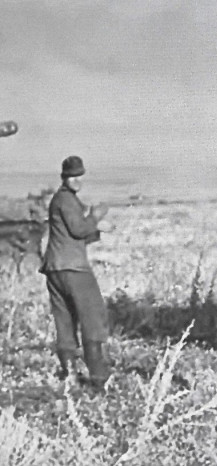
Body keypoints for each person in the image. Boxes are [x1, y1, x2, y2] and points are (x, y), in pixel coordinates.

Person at [41, 155, 111, 388]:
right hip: (74, 269)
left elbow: (71, 235)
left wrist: (97, 230)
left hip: (55, 267)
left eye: (80, 175)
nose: (78, 180)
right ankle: (99, 378)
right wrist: (96, 216)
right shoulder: (67, 201)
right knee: (93, 318)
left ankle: (70, 374)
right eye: (73, 176)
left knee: (65, 320)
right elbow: (79, 230)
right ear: (65, 178)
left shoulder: (59, 200)